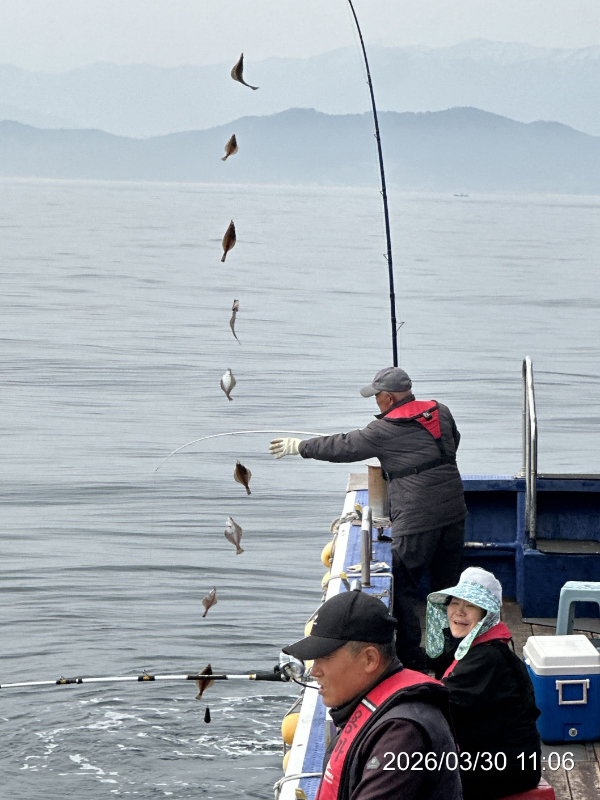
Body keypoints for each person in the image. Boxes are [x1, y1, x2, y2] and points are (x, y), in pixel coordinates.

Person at [270, 366, 467, 669]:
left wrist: (300, 447)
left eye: (377, 396)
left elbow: (343, 446)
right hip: (454, 509)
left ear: (389, 397)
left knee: (402, 585)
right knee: (446, 587)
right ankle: (451, 652)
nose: (375, 401)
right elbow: (454, 440)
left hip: (417, 518)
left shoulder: (382, 431)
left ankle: (413, 658)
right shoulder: (440, 410)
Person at [282, 589, 463, 800]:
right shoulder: (380, 709)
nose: (314, 671)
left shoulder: (402, 734)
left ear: (369, 659)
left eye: (325, 657)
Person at [425, 567, 542, 800]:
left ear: (486, 616)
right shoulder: (472, 646)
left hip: (508, 766)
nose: (459, 612)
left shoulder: (487, 658)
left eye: (470, 605)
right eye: (454, 602)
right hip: (488, 752)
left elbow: (441, 701)